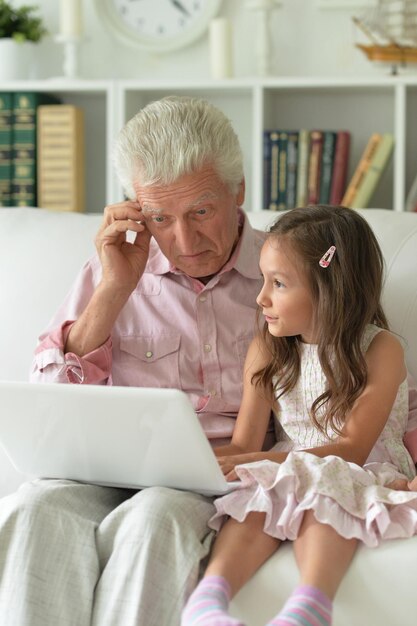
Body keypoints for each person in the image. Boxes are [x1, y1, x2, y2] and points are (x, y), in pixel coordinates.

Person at [0, 96, 268, 626]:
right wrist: (114, 290)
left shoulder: (285, 271)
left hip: (215, 477)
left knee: (153, 517)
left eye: (201, 211)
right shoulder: (114, 269)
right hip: (100, 471)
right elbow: (49, 404)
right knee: (30, 509)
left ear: (237, 191)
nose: (183, 241)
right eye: (159, 217)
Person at [181, 205, 417, 626]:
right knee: (251, 500)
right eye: (263, 280)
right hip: (289, 465)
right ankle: (208, 601)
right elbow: (244, 445)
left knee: (325, 485)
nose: (261, 298)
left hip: (357, 467)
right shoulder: (267, 349)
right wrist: (211, 461)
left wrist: (260, 462)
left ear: (331, 288)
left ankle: (310, 605)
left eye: (279, 283)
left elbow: (351, 448)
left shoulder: (381, 350)